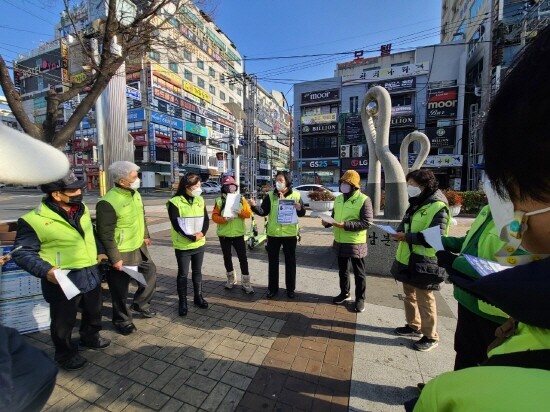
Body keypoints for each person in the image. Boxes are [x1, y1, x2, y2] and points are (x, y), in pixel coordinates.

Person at [411, 25, 550, 411]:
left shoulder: (461, 399)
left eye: (517, 191)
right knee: (467, 357)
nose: (518, 220)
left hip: (491, 305)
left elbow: (494, 259)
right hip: (482, 307)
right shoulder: (494, 211)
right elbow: (467, 244)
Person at [13, 172, 111, 370]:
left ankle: (90, 337)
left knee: (94, 311)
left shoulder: (80, 209)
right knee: (63, 321)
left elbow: (90, 233)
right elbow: (22, 253)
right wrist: (47, 271)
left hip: (90, 270)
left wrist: (100, 251)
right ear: (57, 195)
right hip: (62, 278)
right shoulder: (33, 220)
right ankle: (65, 354)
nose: (79, 192)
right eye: (74, 190)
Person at [437, 205, 508, 370]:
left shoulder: (527, 215)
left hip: (495, 311)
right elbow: (468, 242)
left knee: (489, 363)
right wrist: (440, 241)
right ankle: (453, 391)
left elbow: (518, 272)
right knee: (464, 353)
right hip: (468, 298)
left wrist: (455, 262)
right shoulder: (487, 209)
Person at [390, 169, 450, 352]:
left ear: (424, 186)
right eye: (408, 185)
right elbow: (405, 222)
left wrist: (407, 237)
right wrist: (398, 231)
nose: (410, 188)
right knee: (409, 295)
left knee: (425, 299)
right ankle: (413, 325)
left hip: (426, 260)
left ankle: (431, 336)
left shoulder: (438, 206)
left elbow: (436, 235)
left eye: (413, 185)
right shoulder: (416, 203)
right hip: (408, 257)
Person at [96, 161, 157, 335]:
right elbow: (105, 234)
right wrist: (115, 258)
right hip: (121, 251)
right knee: (120, 290)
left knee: (150, 273)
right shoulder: (107, 202)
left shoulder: (135, 194)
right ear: (122, 181)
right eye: (134, 176)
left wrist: (145, 235)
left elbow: (141, 216)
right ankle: (122, 320)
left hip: (138, 247)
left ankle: (140, 304)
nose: (138, 179)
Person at [249, 171, 306, 299]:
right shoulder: (270, 195)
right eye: (277, 180)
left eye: (281, 180)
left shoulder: (296, 195)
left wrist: (299, 209)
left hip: (290, 235)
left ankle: (290, 289)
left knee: (290, 262)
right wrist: (254, 207)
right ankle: (272, 288)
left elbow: (302, 213)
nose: (278, 182)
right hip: (273, 234)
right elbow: (264, 212)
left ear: (287, 182)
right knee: (273, 263)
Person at [322, 170, 373, 313]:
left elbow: (367, 223)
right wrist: (327, 222)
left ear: (354, 185)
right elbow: (334, 216)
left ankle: (360, 299)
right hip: (339, 240)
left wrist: (345, 225)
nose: (343, 185)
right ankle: (344, 293)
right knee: (343, 271)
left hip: (355, 242)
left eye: (347, 183)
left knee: (359, 273)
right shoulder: (338, 199)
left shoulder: (364, 200)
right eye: (342, 182)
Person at [167, 173, 210, 316]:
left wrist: (202, 234)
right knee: (183, 274)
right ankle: (183, 301)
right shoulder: (175, 202)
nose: (199, 188)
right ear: (187, 187)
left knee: (197, 272)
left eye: (200, 185)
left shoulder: (200, 200)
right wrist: (190, 237)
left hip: (199, 243)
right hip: (183, 245)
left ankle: (198, 297)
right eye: (196, 186)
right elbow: (176, 224)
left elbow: (206, 220)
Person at [212, 175, 254, 294]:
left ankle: (246, 282)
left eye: (232, 185)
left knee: (243, 258)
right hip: (224, 234)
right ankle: (231, 279)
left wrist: (240, 212)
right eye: (227, 186)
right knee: (227, 257)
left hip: (238, 234)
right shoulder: (219, 201)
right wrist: (224, 219)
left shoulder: (241, 199)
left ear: (235, 187)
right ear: (224, 188)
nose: (231, 188)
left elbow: (249, 213)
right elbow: (214, 217)